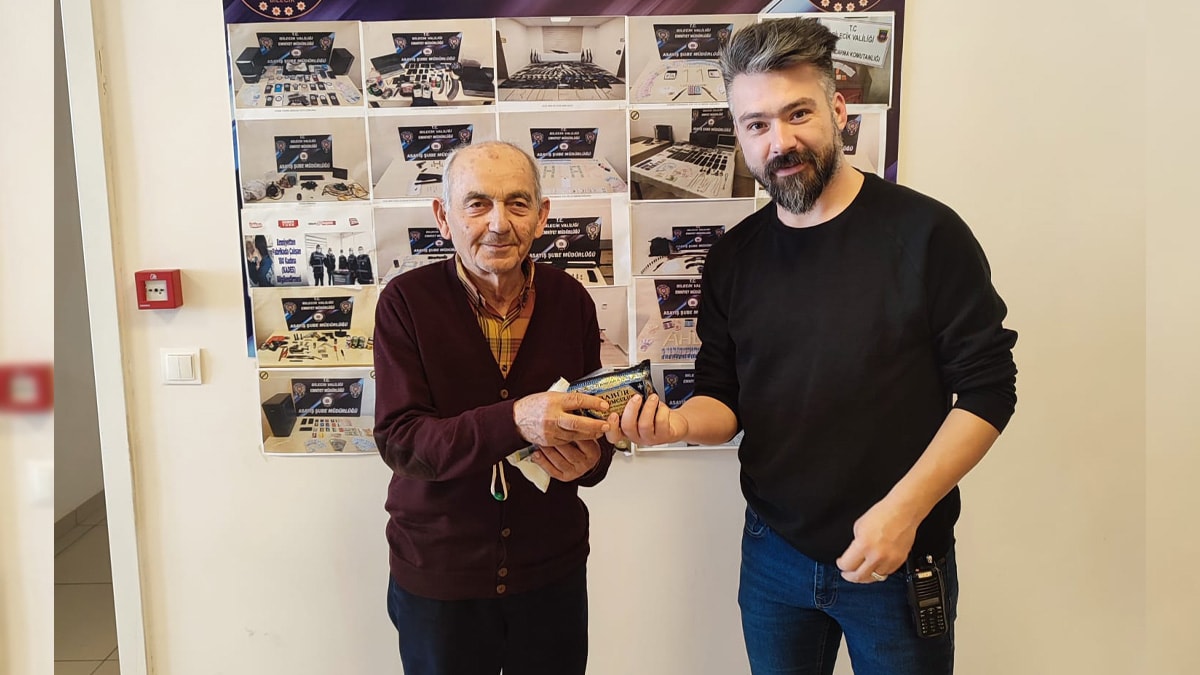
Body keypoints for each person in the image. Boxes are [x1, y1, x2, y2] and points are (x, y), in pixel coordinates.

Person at [611, 18, 1018, 675]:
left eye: (797, 113)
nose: (781, 141)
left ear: (838, 110)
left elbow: (989, 390)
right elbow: (722, 400)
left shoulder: (927, 234)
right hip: (773, 554)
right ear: (740, 134)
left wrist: (903, 511)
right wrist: (676, 425)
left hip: (897, 551)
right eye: (757, 124)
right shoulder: (735, 258)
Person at [373, 140, 616, 675]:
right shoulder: (405, 303)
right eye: (477, 204)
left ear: (542, 216)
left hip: (551, 573)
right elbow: (402, 442)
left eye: (517, 203)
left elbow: (593, 430)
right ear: (444, 218)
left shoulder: (571, 299)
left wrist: (592, 462)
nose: (499, 224)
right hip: (441, 576)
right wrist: (514, 421)